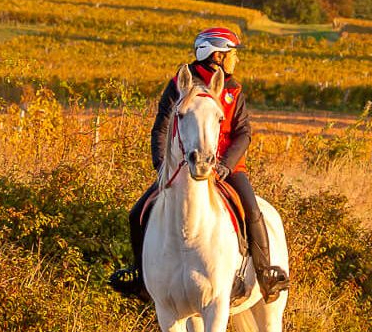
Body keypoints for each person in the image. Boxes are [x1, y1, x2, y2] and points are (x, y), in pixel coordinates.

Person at [109, 26, 289, 301]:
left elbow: (243, 132)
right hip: (182, 167)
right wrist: (162, 166)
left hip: (226, 167)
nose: (235, 60)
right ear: (216, 55)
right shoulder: (180, 84)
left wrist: (226, 165)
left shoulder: (232, 89)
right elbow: (162, 127)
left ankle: (265, 276)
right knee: (136, 214)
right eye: (232, 54)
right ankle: (140, 276)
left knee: (252, 211)